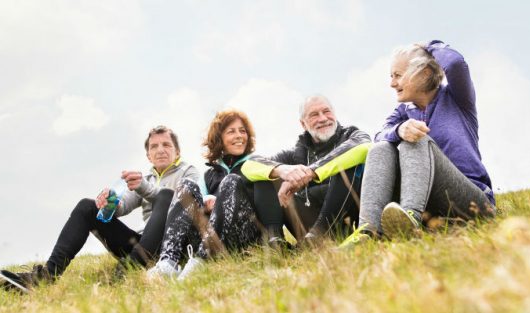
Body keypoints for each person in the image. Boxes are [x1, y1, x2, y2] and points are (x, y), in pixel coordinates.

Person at [0, 126, 200, 293]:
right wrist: (109, 203)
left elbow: (181, 201)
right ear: (148, 155)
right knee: (87, 206)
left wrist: (143, 187)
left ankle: (130, 268)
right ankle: (47, 276)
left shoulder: (188, 171)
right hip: (141, 245)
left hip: (171, 247)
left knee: (165, 196)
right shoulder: (144, 179)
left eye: (166, 144)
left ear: (177, 152)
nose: (160, 149)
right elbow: (122, 207)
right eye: (154, 146)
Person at [341, 40, 496, 247]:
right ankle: (368, 230)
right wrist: (399, 130)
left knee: (415, 139)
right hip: (432, 204)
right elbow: (379, 135)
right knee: (382, 147)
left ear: (423, 73)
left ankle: (411, 217)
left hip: (472, 200)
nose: (392, 83)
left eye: (397, 75)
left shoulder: (458, 98)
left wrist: (430, 45)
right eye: (391, 76)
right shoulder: (403, 112)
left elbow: (456, 64)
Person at [147, 108, 265, 280]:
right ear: (219, 139)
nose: (239, 136)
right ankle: (168, 262)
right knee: (186, 185)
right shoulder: (208, 175)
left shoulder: (256, 163)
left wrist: (226, 198)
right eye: (231, 131)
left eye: (242, 131)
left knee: (231, 181)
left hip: (245, 235)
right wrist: (207, 200)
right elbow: (196, 204)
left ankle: (201, 262)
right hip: (211, 237)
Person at [241, 95, 371, 243]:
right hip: (307, 223)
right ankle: (275, 241)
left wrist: (311, 172)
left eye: (326, 111)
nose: (323, 118)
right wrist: (282, 170)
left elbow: (365, 146)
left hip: (346, 221)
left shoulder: (352, 135)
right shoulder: (296, 154)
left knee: (348, 162)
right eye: (314, 115)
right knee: (266, 174)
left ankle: (319, 236)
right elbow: (248, 166)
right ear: (303, 124)